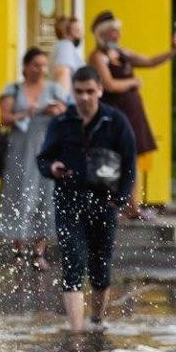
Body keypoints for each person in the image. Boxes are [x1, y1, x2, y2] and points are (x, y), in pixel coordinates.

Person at [37, 66, 137, 333]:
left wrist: (122, 198)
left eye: (90, 91)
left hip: (104, 203)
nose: (84, 97)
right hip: (68, 200)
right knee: (72, 261)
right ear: (73, 91)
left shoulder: (116, 122)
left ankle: (97, 320)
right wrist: (52, 168)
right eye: (79, 92)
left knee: (100, 268)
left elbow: (129, 164)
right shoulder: (61, 123)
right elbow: (43, 158)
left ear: (100, 90)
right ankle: (76, 331)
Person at [87, 9, 176, 220]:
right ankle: (121, 204)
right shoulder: (98, 56)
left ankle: (133, 206)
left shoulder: (122, 53)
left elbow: (150, 61)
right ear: (102, 34)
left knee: (132, 158)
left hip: (132, 113)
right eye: (113, 32)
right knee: (114, 159)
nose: (117, 36)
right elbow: (109, 84)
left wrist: (173, 51)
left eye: (117, 32)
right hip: (114, 114)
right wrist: (133, 82)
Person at [0, 47, 69, 269]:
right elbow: (5, 119)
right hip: (20, 150)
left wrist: (58, 112)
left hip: (47, 149)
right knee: (19, 194)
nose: (40, 69)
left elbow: (69, 114)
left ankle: (39, 252)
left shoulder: (55, 89)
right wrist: (32, 111)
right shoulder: (13, 89)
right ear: (25, 66)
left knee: (46, 196)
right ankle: (19, 249)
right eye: (36, 65)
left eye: (44, 65)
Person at [51, 16, 84, 93]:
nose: (81, 34)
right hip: (68, 103)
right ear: (65, 33)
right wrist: (63, 102)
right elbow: (62, 74)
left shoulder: (61, 46)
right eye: (77, 30)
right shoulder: (65, 46)